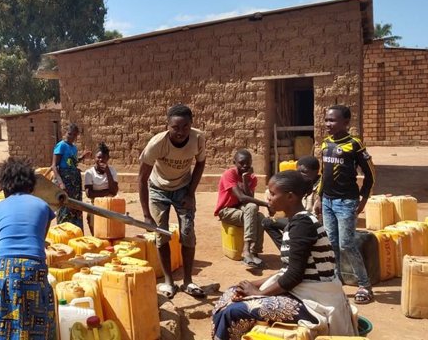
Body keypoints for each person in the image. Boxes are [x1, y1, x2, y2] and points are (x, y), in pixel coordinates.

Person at [212, 171, 356, 340]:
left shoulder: (303, 225)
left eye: (273, 194)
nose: (268, 198)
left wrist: (258, 294)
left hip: (315, 303)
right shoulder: (296, 222)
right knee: (231, 293)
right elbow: (287, 271)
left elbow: (293, 276)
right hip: (303, 293)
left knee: (234, 311)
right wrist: (252, 284)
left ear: (290, 197)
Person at [0, 157, 56, 339]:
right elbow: (39, 240)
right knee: (36, 320)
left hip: (2, 269)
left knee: (4, 321)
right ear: (31, 186)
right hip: (33, 267)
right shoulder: (43, 207)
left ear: (4, 187)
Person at [139, 104, 206, 299]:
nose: (180, 132)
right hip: (158, 189)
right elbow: (142, 178)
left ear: (191, 125)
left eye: (185, 126)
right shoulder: (156, 144)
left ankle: (187, 281)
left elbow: (201, 162)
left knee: (187, 234)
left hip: (183, 188)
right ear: (167, 126)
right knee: (162, 235)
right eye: (175, 127)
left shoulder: (197, 139)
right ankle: (169, 282)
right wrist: (146, 215)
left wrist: (190, 193)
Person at [314, 104, 376, 305]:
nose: (328, 124)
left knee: (347, 244)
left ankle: (364, 285)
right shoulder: (325, 144)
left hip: (346, 202)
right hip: (328, 201)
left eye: (332, 120)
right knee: (331, 243)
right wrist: (318, 197)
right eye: (326, 120)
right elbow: (323, 175)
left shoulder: (354, 144)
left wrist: (363, 199)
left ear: (346, 122)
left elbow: (370, 175)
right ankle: (336, 281)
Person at [214, 149, 269, 268]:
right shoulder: (229, 174)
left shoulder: (252, 178)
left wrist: (245, 179)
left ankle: (254, 252)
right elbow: (241, 198)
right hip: (226, 211)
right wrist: (266, 204)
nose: (245, 166)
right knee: (253, 209)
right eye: (241, 163)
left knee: (260, 217)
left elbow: (249, 199)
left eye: (248, 163)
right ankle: (246, 249)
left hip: (241, 209)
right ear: (235, 162)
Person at [262, 156, 320, 249]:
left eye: (304, 172)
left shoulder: (321, 188)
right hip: (297, 220)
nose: (300, 175)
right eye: (298, 171)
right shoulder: (296, 184)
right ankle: (287, 250)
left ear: (316, 172)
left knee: (294, 228)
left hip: (309, 224)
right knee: (267, 222)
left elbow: (315, 216)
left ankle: (291, 252)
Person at [51, 123, 91, 229]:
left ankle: (75, 233)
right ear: (65, 132)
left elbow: (72, 162)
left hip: (75, 183)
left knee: (76, 208)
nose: (71, 137)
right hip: (65, 182)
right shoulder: (61, 145)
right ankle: (64, 234)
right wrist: (60, 183)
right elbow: (54, 166)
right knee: (65, 208)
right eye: (69, 134)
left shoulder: (73, 148)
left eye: (74, 135)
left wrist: (82, 157)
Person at [84, 142, 119, 235]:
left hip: (109, 203)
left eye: (103, 157)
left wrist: (107, 172)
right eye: (98, 157)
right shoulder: (89, 173)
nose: (101, 160)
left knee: (111, 227)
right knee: (94, 225)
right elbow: (89, 194)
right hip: (95, 203)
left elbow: (114, 191)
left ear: (108, 158)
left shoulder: (112, 171)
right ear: (94, 158)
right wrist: (107, 192)